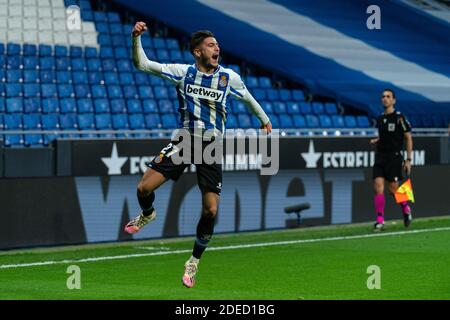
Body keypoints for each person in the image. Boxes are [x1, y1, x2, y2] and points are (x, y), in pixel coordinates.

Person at [124, 21, 272, 288]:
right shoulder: (183, 73)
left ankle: (193, 261)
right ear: (197, 52)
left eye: (217, 44)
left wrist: (264, 120)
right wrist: (136, 38)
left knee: (210, 209)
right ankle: (147, 213)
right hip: (184, 142)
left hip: (212, 146)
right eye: (210, 45)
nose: (217, 48)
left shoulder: (229, 78)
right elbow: (142, 64)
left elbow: (248, 98)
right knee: (144, 188)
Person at [370, 89, 413, 231]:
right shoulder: (380, 118)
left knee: (393, 189)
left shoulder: (400, 117)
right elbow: (386, 135)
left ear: (394, 100)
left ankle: (406, 208)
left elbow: (408, 138)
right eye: (383, 96)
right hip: (380, 156)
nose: (385, 99)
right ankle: (380, 220)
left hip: (394, 157)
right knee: (378, 187)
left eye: (388, 97)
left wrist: (408, 160)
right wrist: (378, 140)